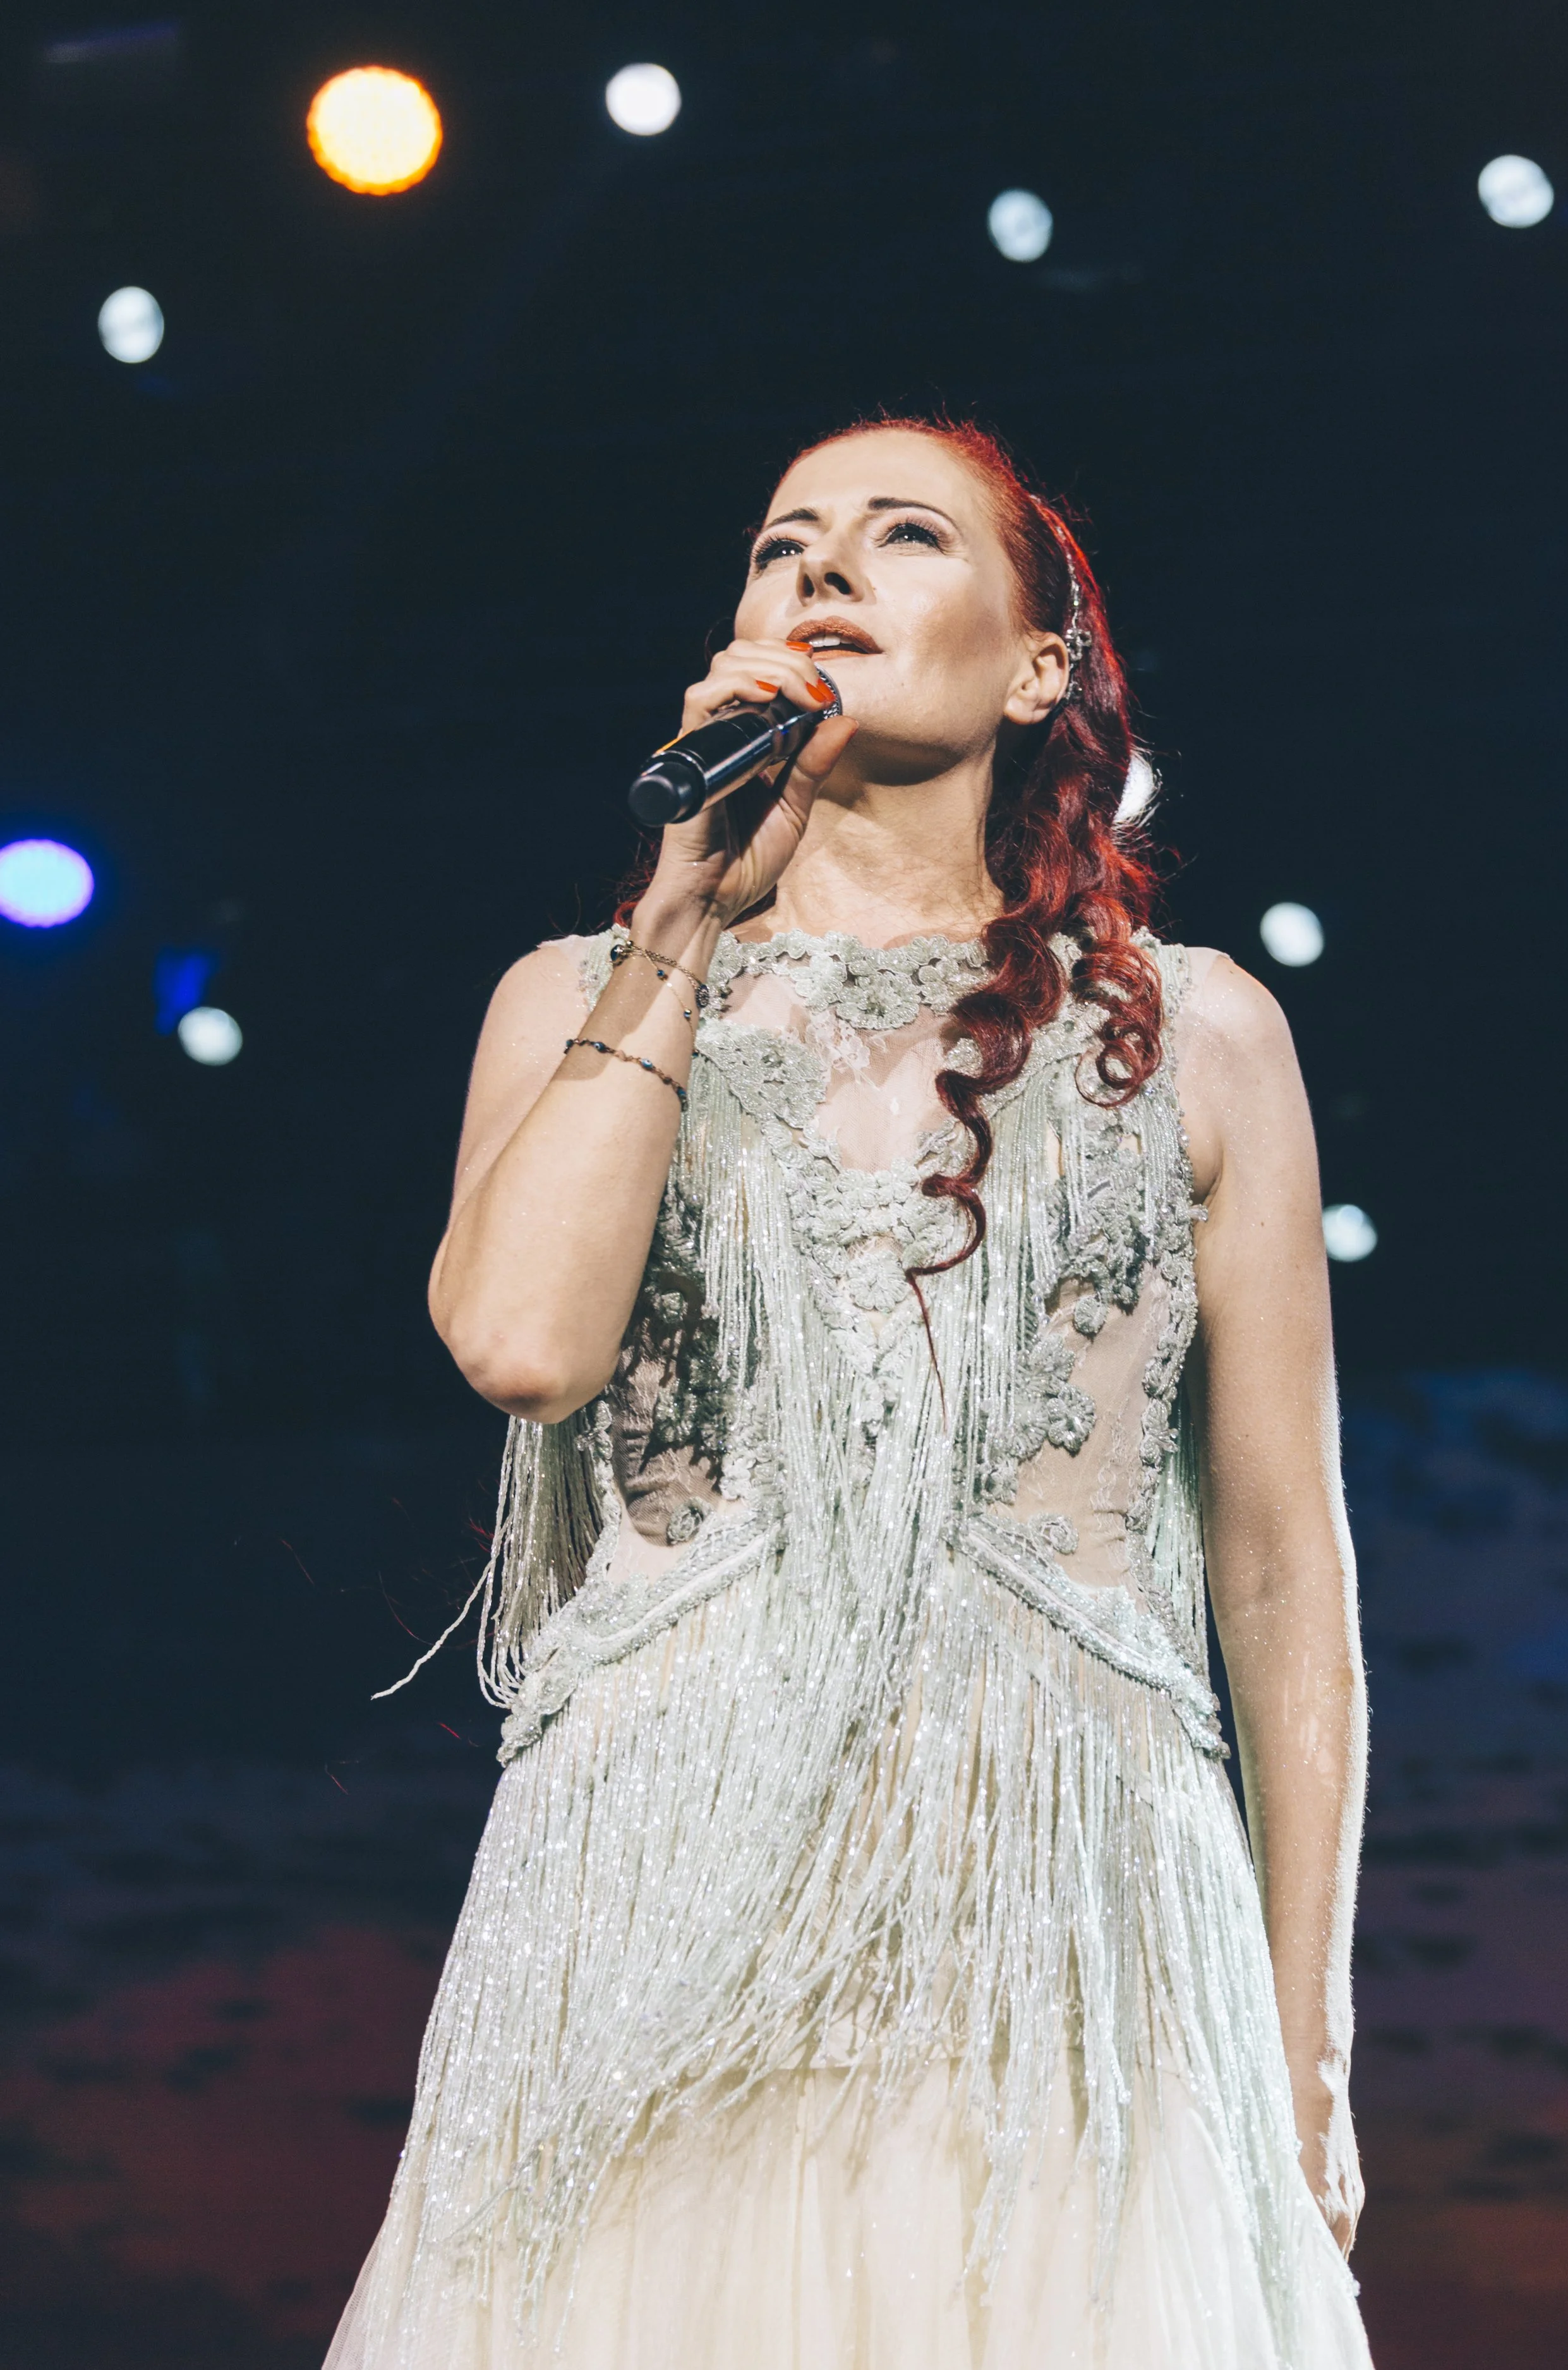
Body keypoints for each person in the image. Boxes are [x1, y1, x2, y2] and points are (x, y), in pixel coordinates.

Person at [325, 417, 1372, 2369]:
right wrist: (674, 929)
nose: (818, 572)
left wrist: (1302, 2047)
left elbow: (1280, 1574)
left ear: (1036, 663)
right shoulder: (578, 993)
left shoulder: (1200, 1032)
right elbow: (523, 1346)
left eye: (899, 537)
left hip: (1062, 1920)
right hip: (654, 1898)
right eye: (778, 545)